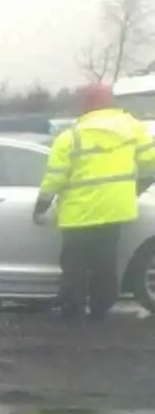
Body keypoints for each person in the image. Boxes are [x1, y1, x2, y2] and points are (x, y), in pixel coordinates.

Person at [34, 83, 155, 321]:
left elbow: (54, 178)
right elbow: (151, 162)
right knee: (105, 261)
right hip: (114, 210)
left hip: (78, 213)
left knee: (74, 264)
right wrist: (136, 189)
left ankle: (73, 308)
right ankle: (102, 307)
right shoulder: (133, 128)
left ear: (87, 104)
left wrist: (42, 206)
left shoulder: (71, 137)